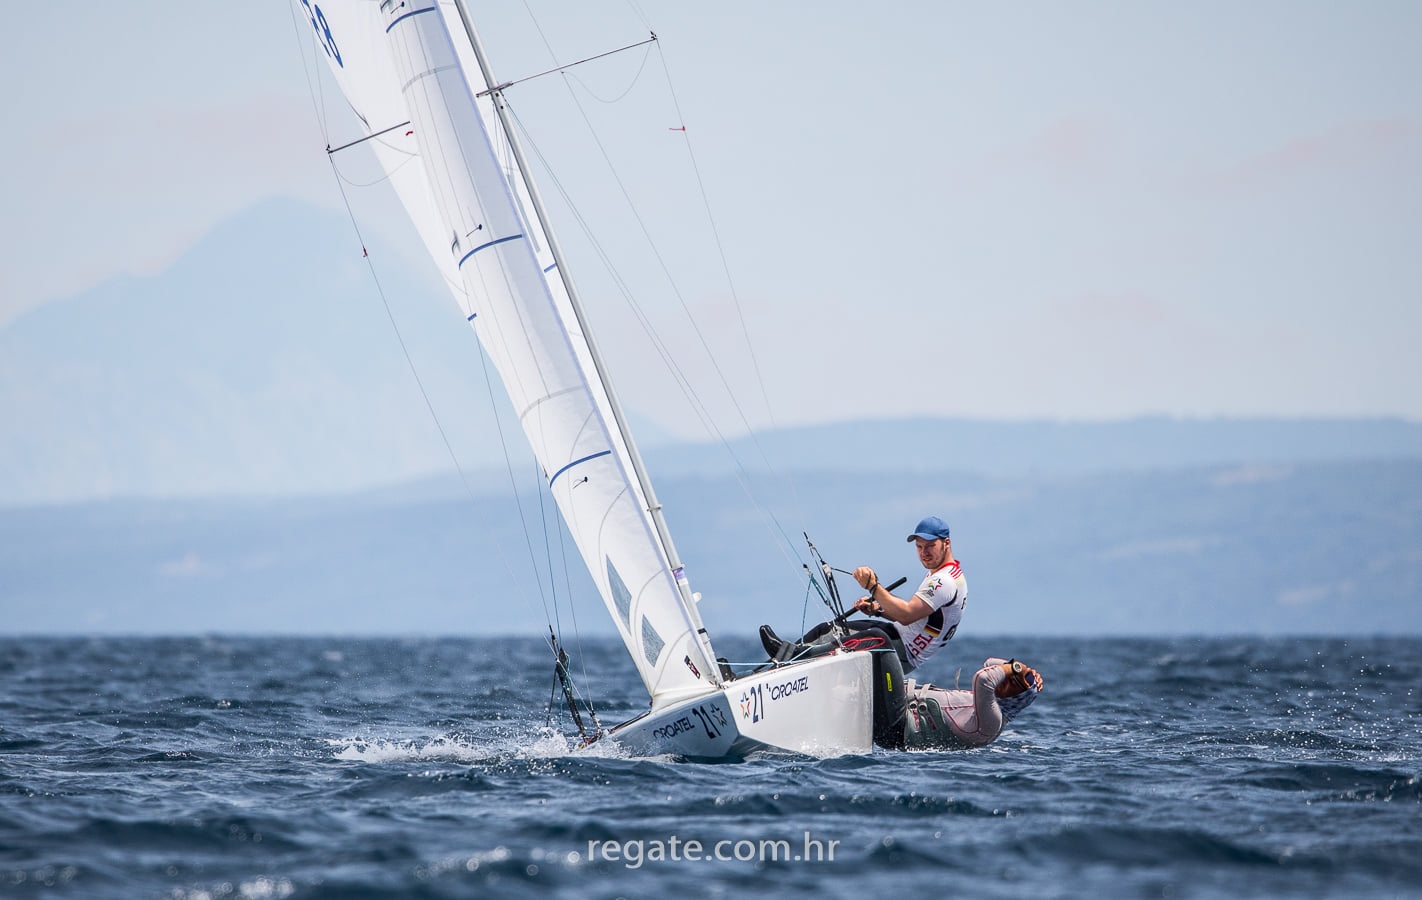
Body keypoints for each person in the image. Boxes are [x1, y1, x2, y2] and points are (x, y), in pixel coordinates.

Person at [760, 515, 967, 674]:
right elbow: (915, 617)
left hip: (900, 653)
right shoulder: (946, 575)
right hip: (896, 637)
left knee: (867, 639)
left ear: (946, 543)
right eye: (919, 547)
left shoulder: (943, 581)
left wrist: (873, 587)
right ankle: (779, 661)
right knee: (827, 630)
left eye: (930, 546)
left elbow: (906, 615)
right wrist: (877, 609)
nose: (924, 553)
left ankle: (793, 657)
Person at [901, 658, 1044, 749]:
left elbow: (983, 677)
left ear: (1019, 697)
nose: (1005, 680)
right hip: (899, 703)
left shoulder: (994, 720)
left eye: (1013, 683)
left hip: (899, 721)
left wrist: (1014, 668)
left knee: (886, 641)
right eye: (1008, 677)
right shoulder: (987, 704)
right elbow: (989, 663)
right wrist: (1019, 668)